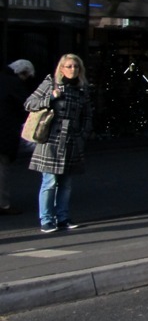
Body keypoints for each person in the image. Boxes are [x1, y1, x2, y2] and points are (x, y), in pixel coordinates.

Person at [26, 53, 93, 233]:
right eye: (69, 66)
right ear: (61, 68)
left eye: (76, 67)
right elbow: (29, 103)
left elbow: (87, 114)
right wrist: (51, 98)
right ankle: (46, 220)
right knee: (49, 181)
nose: (73, 70)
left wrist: (83, 134)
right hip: (51, 140)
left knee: (66, 183)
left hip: (72, 139)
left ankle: (63, 218)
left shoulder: (82, 89)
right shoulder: (50, 84)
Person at [0, 59, 35, 215]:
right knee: (2, 170)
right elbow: (26, 107)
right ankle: (3, 204)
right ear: (23, 73)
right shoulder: (13, 84)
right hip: (4, 134)